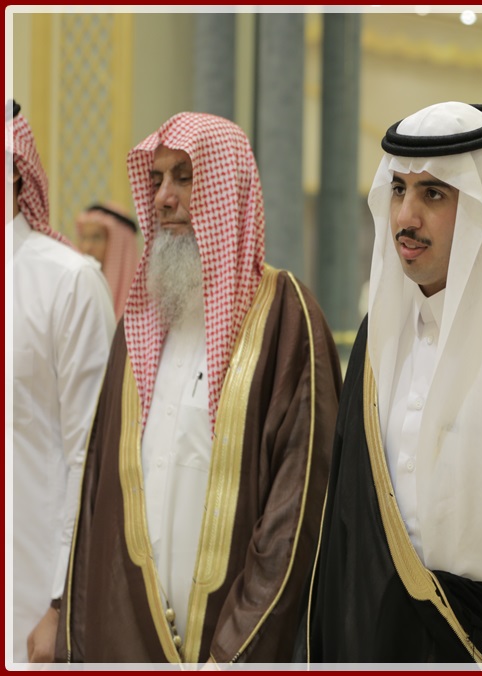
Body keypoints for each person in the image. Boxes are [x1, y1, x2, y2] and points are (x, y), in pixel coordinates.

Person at [303, 101, 482, 664]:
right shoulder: (378, 338)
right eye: (398, 189)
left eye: (433, 194)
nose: (405, 217)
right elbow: (349, 537)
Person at [55, 112, 343, 664]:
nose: (164, 198)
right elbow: (98, 497)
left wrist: (233, 652)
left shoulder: (285, 319)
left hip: (232, 650)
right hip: (129, 644)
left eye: (185, 178)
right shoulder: (139, 323)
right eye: (156, 180)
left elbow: (297, 512)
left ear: (228, 188)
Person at [7, 100, 116, 664]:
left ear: (15, 170)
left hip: (31, 599)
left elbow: (90, 457)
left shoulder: (68, 281)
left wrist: (60, 602)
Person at [75, 202, 141, 320]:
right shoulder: (77, 286)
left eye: (96, 238)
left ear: (119, 245)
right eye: (83, 237)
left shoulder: (145, 295)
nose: (86, 247)